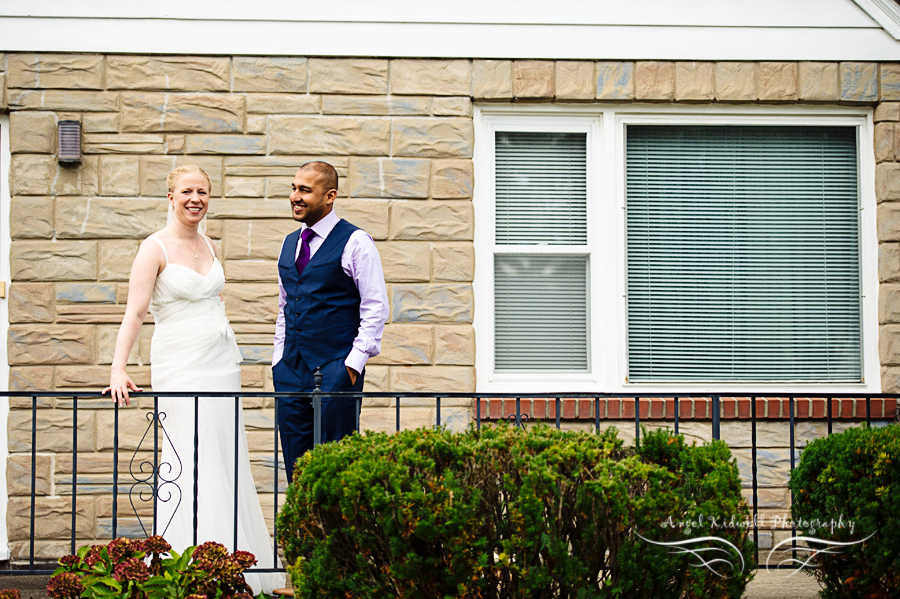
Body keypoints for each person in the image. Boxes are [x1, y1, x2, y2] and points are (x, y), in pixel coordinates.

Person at [103, 165, 284, 595]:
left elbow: (213, 303)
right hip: (180, 364)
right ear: (170, 196)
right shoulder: (154, 248)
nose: (195, 199)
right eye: (187, 191)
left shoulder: (209, 244)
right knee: (188, 458)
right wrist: (118, 367)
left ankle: (232, 562)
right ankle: (186, 563)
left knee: (224, 454)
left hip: (222, 363)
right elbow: (135, 311)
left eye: (202, 191)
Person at [272, 161, 389, 482]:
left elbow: (376, 306)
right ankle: (304, 534)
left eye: (305, 190)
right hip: (291, 373)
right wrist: (278, 361)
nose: (295, 196)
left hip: (336, 371)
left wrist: (353, 365)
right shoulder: (289, 243)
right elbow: (286, 305)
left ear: (330, 196)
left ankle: (336, 534)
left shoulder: (355, 241)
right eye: (294, 188)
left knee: (338, 472)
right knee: (297, 471)